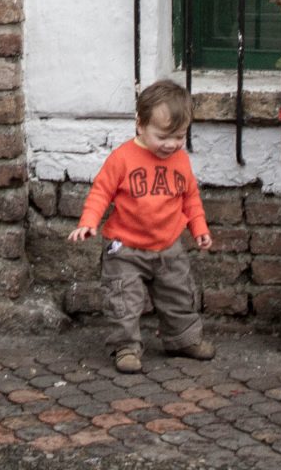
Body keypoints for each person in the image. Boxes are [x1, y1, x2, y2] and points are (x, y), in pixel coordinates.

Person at [67, 78, 215, 372]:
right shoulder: (122, 158)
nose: (171, 144)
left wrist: (199, 229)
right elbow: (101, 192)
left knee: (178, 295)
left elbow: (190, 198)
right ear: (140, 124)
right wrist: (88, 222)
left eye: (180, 136)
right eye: (163, 136)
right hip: (125, 248)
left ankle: (182, 339)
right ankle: (125, 347)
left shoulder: (180, 161)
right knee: (123, 300)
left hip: (168, 246)